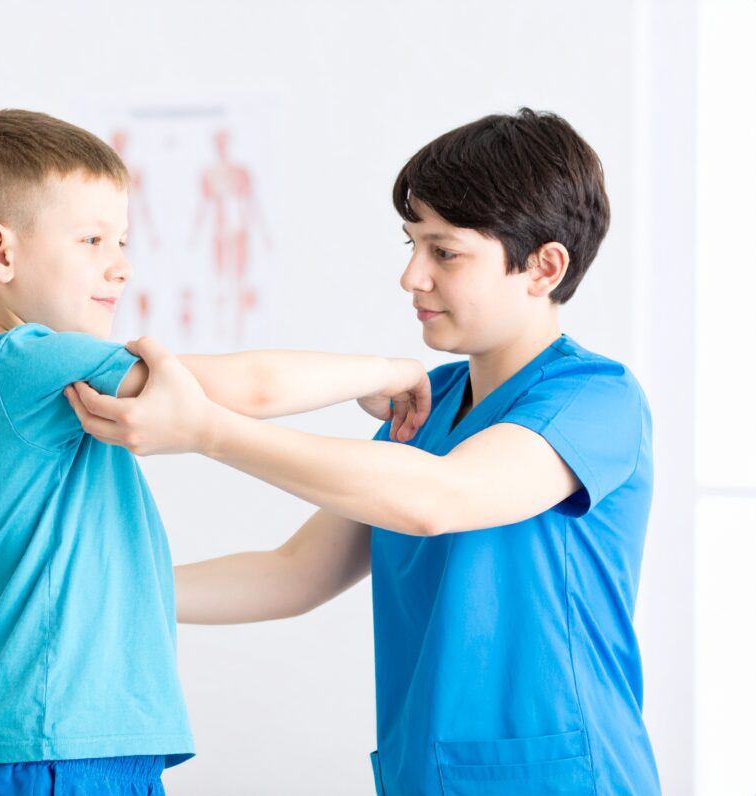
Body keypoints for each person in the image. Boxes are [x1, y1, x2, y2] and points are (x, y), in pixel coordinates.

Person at [67, 108, 662, 795]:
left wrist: (209, 431)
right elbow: (294, 573)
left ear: (543, 266)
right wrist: (104, 589)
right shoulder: (430, 407)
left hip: (562, 778)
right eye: (411, 244)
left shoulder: (597, 399)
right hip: (426, 774)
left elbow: (441, 498)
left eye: (445, 251)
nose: (412, 276)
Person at [0, 108, 432, 796]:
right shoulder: (20, 362)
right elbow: (244, 387)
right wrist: (386, 371)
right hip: (51, 748)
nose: (122, 265)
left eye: (123, 239)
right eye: (92, 239)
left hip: (88, 744)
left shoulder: (19, 379)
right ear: (0, 253)